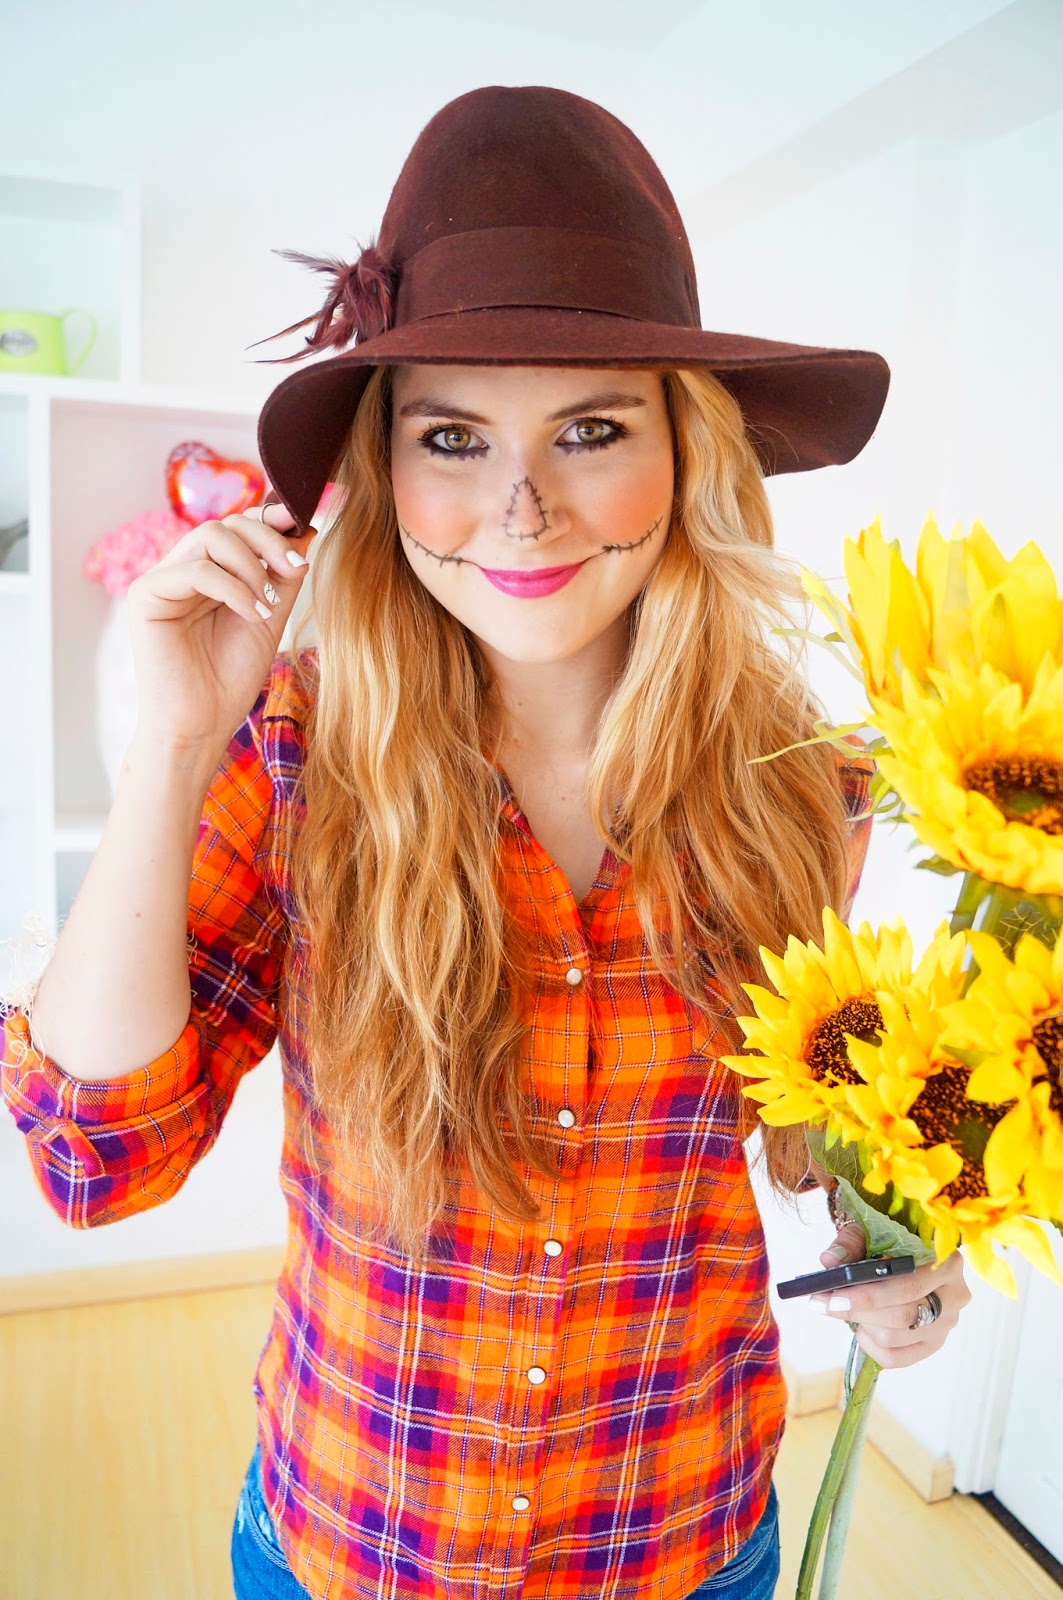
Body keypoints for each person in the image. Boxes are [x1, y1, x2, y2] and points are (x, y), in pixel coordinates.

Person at [0, 86, 970, 1600]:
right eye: (454, 437)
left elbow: (805, 1134)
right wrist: (174, 745)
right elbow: (89, 1160)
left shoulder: (810, 788)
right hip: (355, 1546)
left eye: (590, 430)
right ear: (386, 475)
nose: (520, 509)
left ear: (689, 453)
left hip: (687, 1545)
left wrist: (898, 1250)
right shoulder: (297, 755)